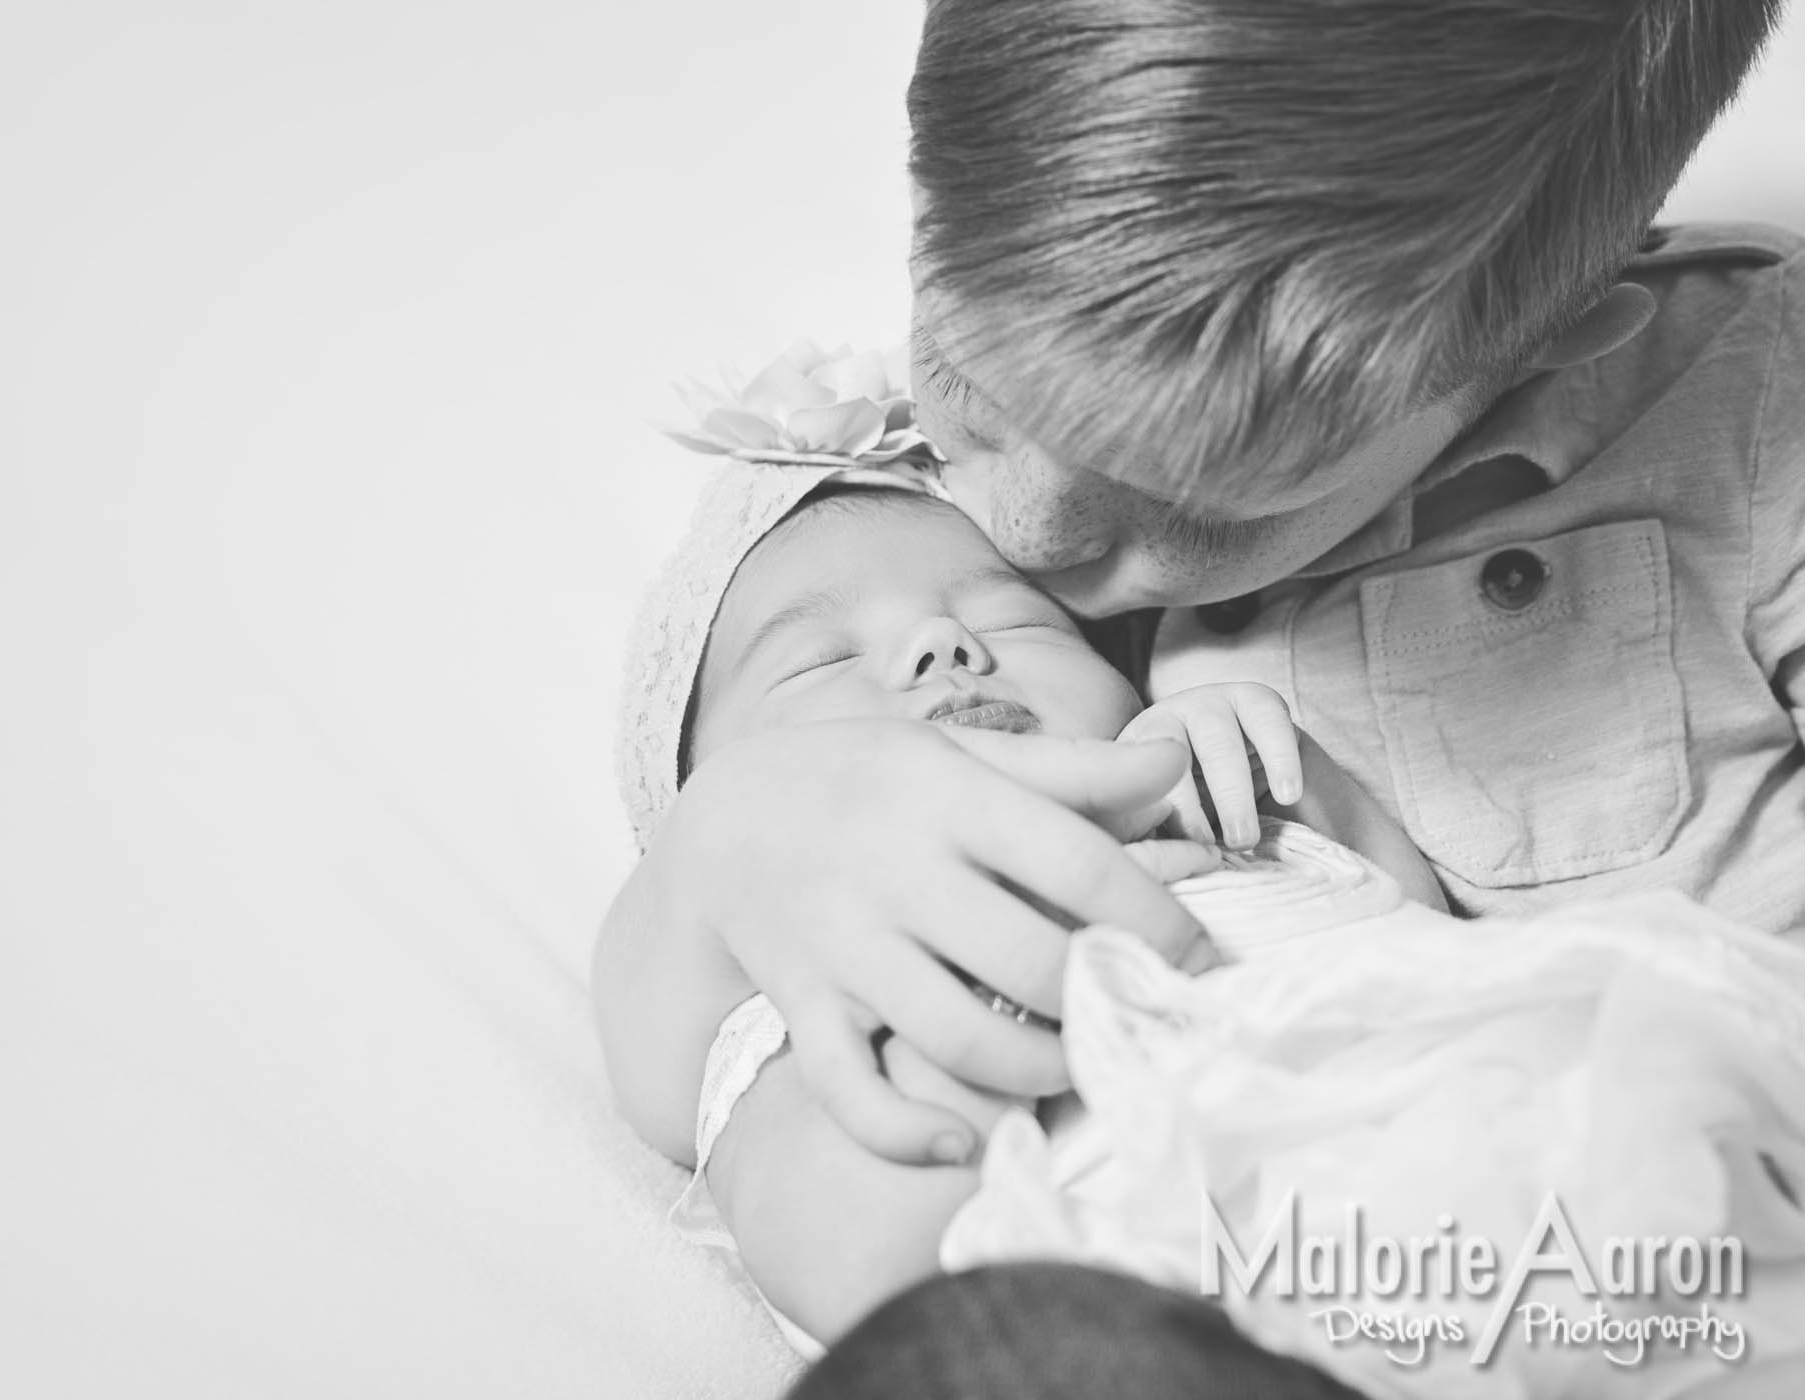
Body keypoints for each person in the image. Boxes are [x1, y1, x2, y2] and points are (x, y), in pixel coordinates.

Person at [596, 0, 1805, 1186]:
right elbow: (715, 1083)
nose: (1023, 532)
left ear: (1532, 349)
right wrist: (727, 842)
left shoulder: (1763, 406)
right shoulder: (903, 520)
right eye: (970, 391)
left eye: (1190, 508)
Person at [606, 459, 1805, 1399]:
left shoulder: (1233, 828)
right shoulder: (780, 990)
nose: (945, 644)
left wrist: (1291, 782)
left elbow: (1432, 935)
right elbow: (862, 1262)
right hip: (1156, 1327)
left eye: (1016, 619)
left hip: (1560, 1247)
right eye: (817, 663)